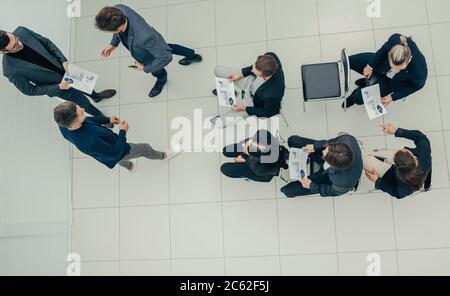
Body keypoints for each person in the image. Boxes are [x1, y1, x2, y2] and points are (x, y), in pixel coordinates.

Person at [0, 27, 116, 117]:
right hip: (58, 86)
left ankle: (96, 96)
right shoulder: (10, 70)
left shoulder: (21, 31)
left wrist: (63, 60)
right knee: (84, 103)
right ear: (3, 52)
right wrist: (58, 87)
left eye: (16, 39)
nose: (20, 44)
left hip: (64, 68)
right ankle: (100, 117)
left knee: (87, 85)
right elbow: (28, 90)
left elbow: (47, 43)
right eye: (15, 46)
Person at [95, 5, 203, 98]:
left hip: (149, 51)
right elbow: (117, 32)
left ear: (119, 27)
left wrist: (145, 68)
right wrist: (113, 44)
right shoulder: (117, 9)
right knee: (168, 47)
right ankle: (192, 55)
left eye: (109, 32)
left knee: (160, 62)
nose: (110, 33)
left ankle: (161, 81)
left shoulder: (144, 37)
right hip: (151, 43)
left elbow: (166, 57)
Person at [54, 102, 169, 171]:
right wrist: (123, 132)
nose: (84, 110)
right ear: (74, 124)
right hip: (116, 148)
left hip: (106, 151)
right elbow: (115, 152)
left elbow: (88, 120)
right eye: (81, 113)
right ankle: (162, 156)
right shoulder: (90, 143)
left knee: (116, 159)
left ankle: (128, 166)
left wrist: (107, 119)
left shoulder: (63, 125)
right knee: (144, 148)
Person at [344, 33, 427, 109]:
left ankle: (357, 92)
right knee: (349, 62)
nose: (395, 70)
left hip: (390, 82)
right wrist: (369, 66)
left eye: (399, 68)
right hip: (381, 64)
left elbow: (416, 86)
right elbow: (383, 50)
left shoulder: (420, 71)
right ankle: (366, 82)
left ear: (408, 61)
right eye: (393, 66)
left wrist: (392, 98)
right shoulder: (395, 40)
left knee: (358, 99)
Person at [211, 52, 285, 128]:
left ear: (264, 75)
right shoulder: (271, 57)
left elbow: (267, 112)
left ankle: (227, 99)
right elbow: (254, 68)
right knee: (217, 70)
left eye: (255, 71)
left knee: (219, 123)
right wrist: (241, 74)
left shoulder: (273, 94)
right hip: (250, 82)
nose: (252, 70)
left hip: (253, 102)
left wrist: (244, 108)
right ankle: (227, 90)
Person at [281, 133, 363, 198]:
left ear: (332, 164)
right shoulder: (347, 139)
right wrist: (315, 147)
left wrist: (311, 186)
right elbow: (329, 143)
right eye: (328, 149)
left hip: (329, 178)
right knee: (292, 140)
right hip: (333, 160)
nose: (323, 151)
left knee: (287, 191)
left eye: (325, 155)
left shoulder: (343, 183)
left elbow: (332, 191)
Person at [363, 124, 432, 199]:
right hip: (404, 169)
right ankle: (372, 155)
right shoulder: (423, 154)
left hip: (388, 173)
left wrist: (378, 182)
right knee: (375, 154)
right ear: (414, 157)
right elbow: (420, 137)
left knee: (364, 160)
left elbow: (397, 194)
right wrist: (397, 131)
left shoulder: (407, 187)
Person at [221, 130, 289, 182]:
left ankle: (243, 176)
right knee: (226, 150)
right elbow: (253, 139)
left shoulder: (262, 166)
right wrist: (246, 146)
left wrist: (244, 158)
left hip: (260, 172)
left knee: (224, 168)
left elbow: (257, 168)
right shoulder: (263, 136)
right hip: (254, 158)